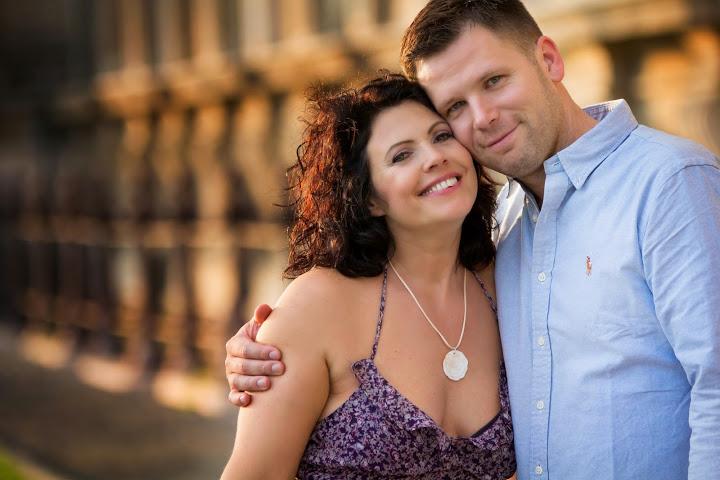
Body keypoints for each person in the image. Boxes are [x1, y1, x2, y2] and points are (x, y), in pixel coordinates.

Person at [225, 1, 720, 478]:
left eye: (494, 81)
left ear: (549, 60)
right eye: (456, 107)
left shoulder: (668, 182)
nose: (482, 117)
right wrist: (269, 349)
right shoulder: (507, 225)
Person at [221, 74, 516, 479]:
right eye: (401, 156)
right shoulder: (317, 306)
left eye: (442, 136)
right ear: (371, 198)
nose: (435, 157)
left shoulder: (506, 281)